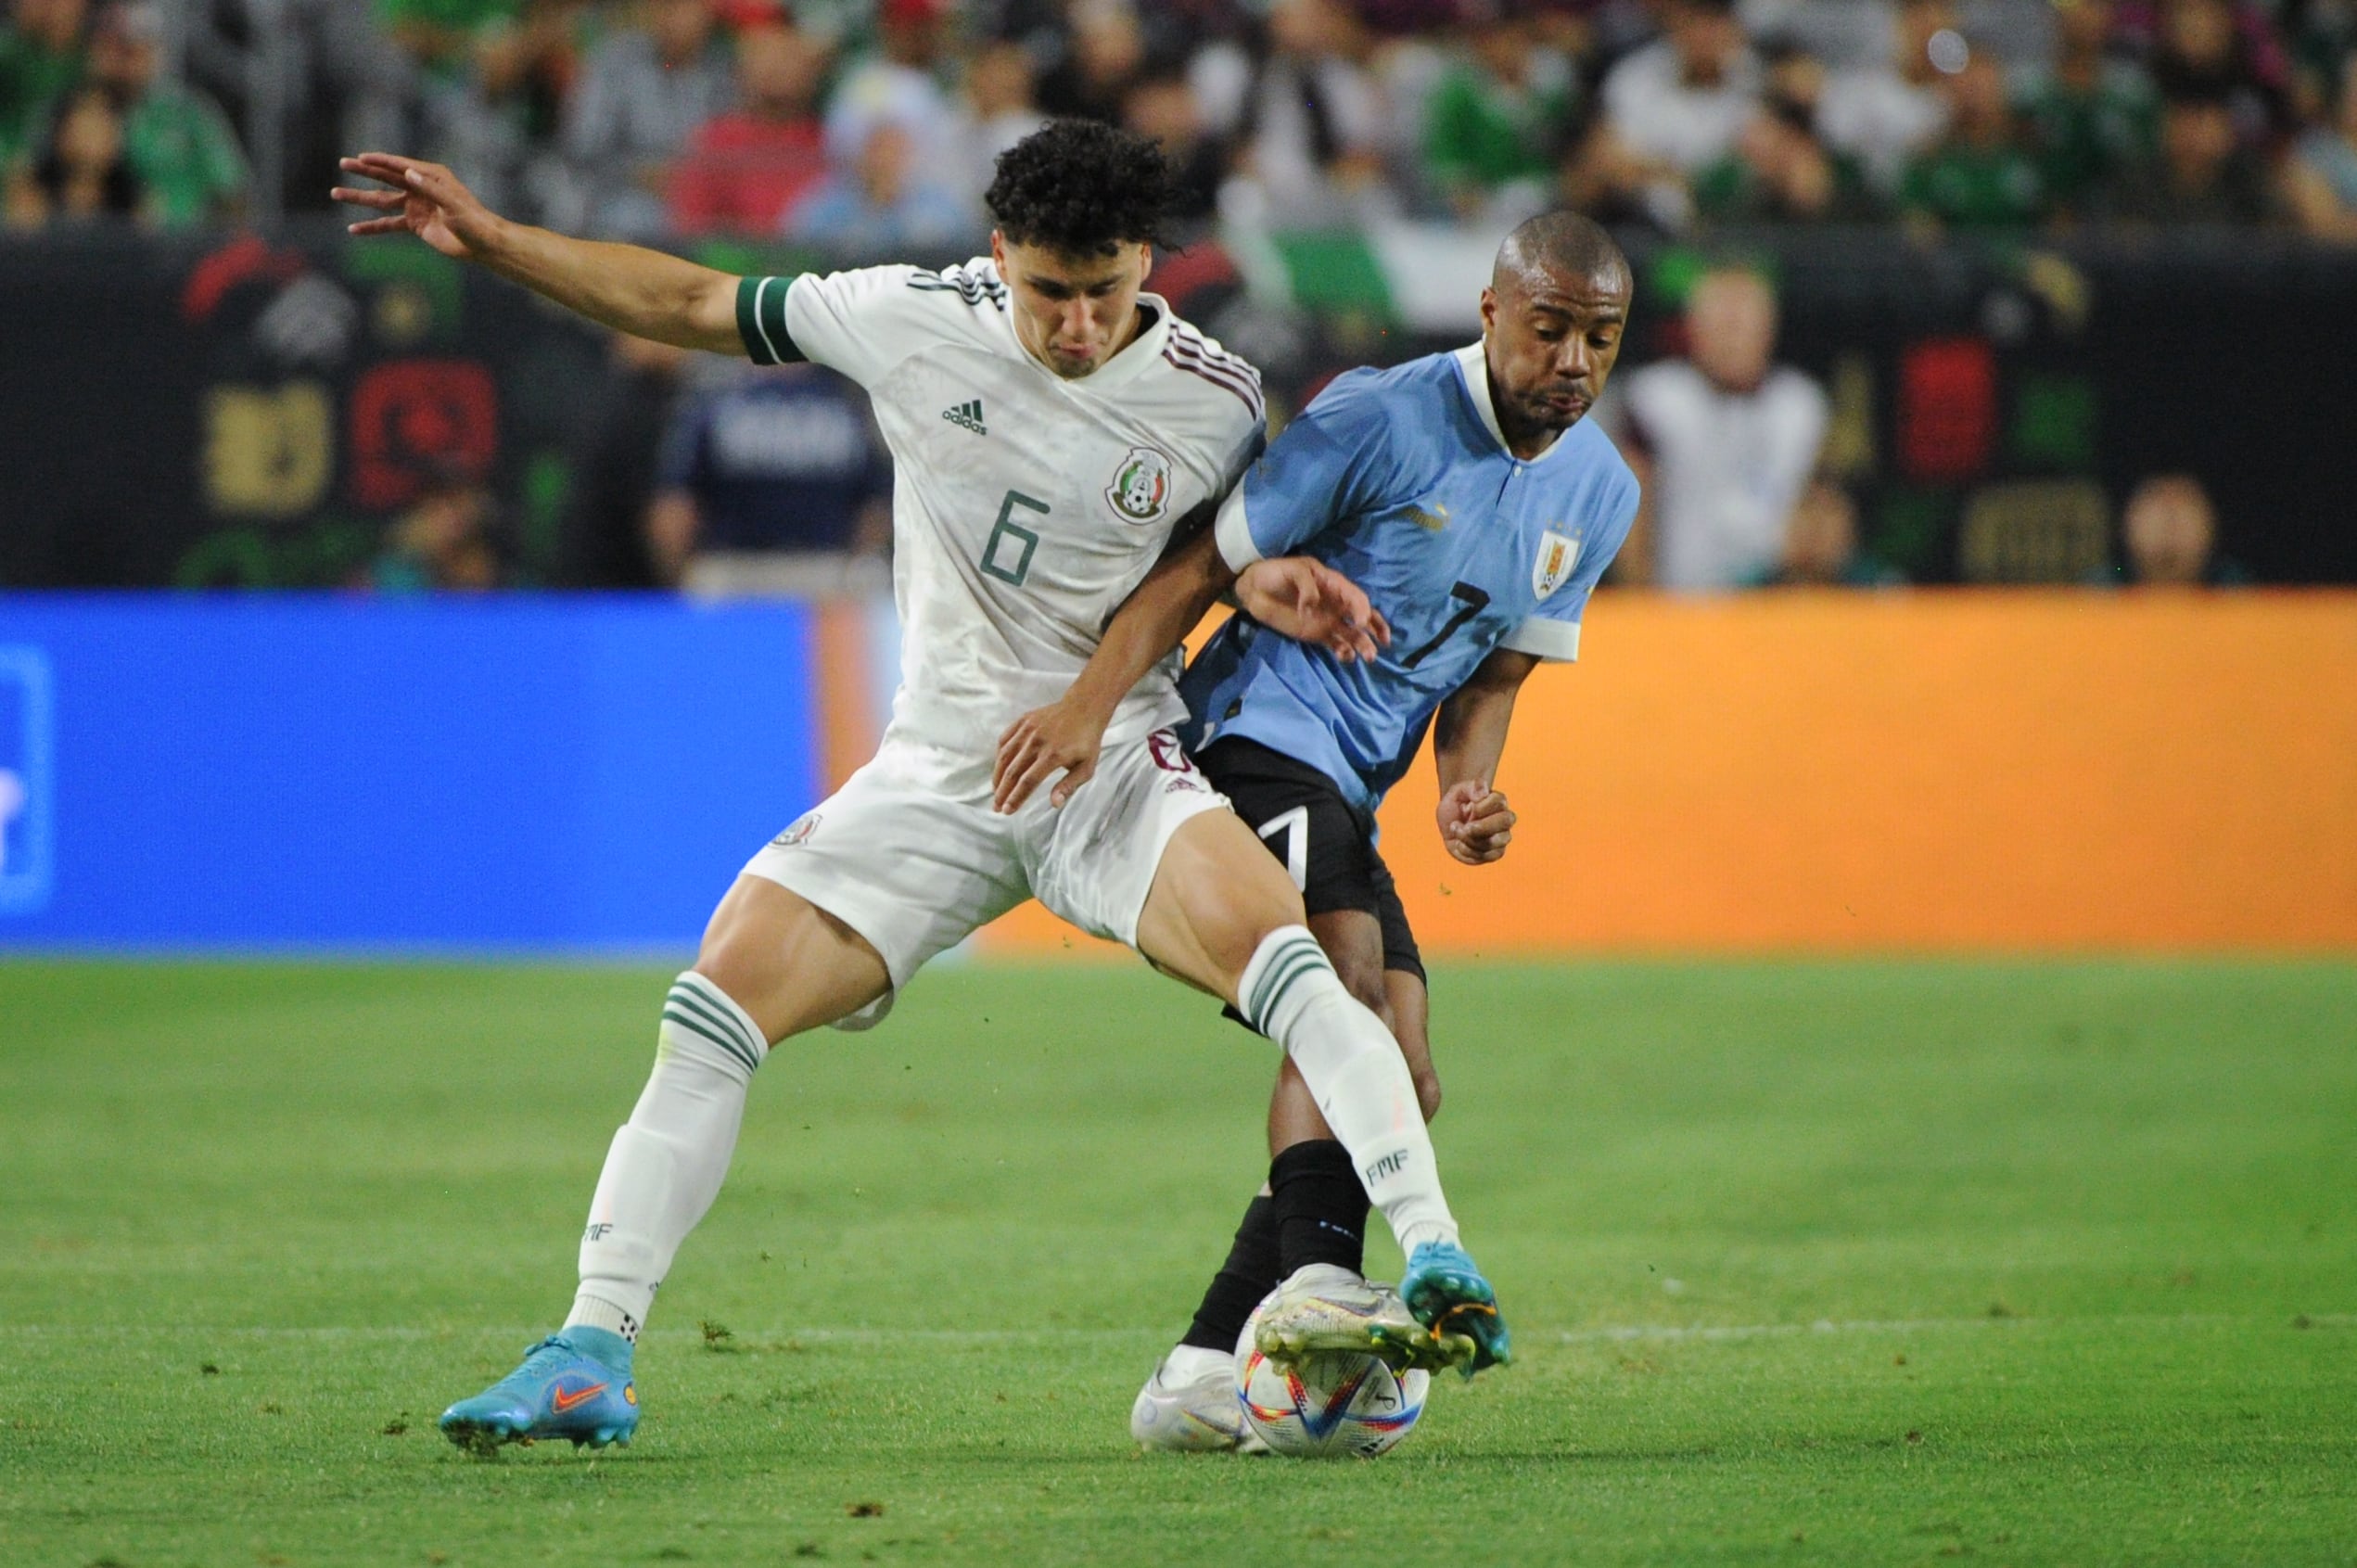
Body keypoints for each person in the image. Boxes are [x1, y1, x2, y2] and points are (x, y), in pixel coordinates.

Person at [333, 117, 1509, 1455]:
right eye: (1047, 290)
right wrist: (494, 240)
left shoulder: (1218, 397)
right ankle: (590, 1347)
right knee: (712, 1003)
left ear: (1146, 263)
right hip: (939, 774)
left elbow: (1204, 565)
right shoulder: (907, 316)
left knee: (1290, 962)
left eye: (1102, 290)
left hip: (1113, 763)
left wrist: (1264, 580)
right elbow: (689, 301)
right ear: (998, 253)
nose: (1075, 325)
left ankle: (1432, 1252)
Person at [991, 210, 1637, 1449]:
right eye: (1548, 328)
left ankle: (1198, 1363)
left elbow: (1493, 675)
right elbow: (1203, 562)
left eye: (1597, 338)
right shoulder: (1379, 417)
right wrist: (1087, 707)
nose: (1571, 360)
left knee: (1406, 1073)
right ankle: (1317, 1286)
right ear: (1491, 313)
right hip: (1248, 736)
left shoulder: (1600, 490)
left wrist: (1464, 788)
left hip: (1352, 790)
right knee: (1343, 996)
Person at [1606, 263, 1828, 591]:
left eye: (1743, 326)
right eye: (1724, 325)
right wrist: (1640, 597)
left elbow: (1825, 508)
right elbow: (1629, 508)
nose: (1733, 340)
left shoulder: (1800, 406)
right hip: (1678, 597)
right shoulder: (1658, 399)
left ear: (1769, 330)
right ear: (1693, 329)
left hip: (1774, 595)